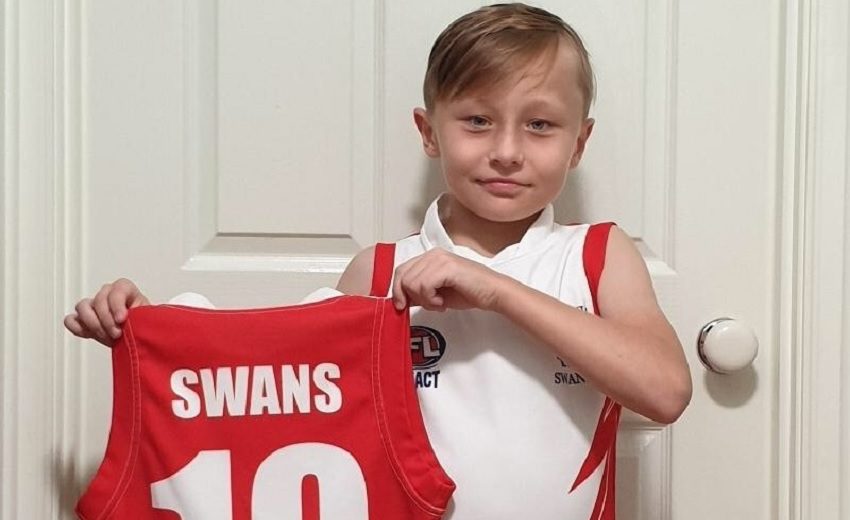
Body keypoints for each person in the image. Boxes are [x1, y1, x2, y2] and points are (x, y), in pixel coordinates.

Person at [65, 3, 692, 518]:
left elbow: (664, 392)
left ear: (579, 142)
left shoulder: (596, 254)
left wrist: (496, 290)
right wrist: (154, 332)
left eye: (540, 125)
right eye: (477, 120)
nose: (506, 150)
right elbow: (275, 394)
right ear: (429, 131)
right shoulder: (379, 271)